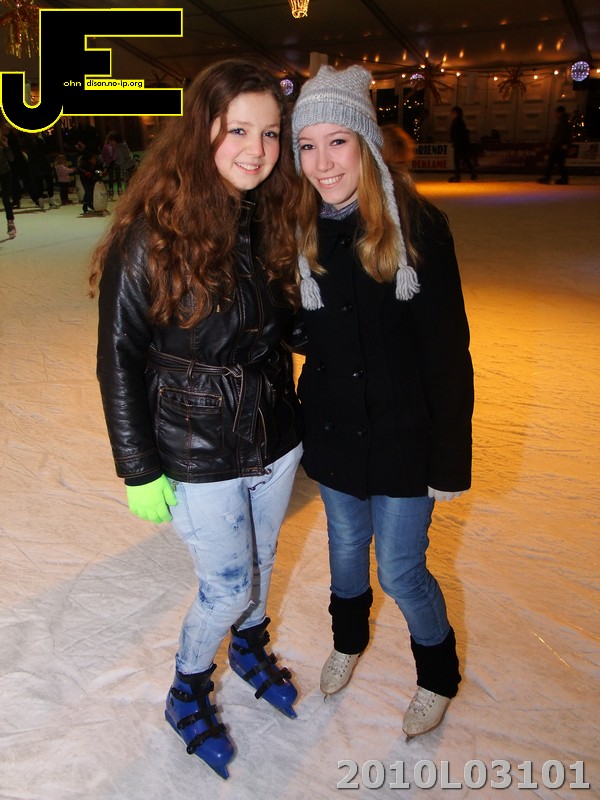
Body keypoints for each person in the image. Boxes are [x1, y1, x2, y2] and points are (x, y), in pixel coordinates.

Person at [88, 58, 302, 779]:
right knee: (228, 585)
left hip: (274, 433)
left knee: (263, 565)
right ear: (200, 130)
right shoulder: (150, 234)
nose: (256, 149)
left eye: (269, 133)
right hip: (193, 443)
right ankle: (187, 688)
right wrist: (138, 467)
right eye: (237, 130)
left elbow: (287, 326)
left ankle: (249, 645)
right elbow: (118, 355)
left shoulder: (267, 218)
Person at [291, 65, 474, 740]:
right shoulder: (299, 228)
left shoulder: (417, 227)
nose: (322, 163)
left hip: (404, 435)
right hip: (337, 430)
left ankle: (438, 675)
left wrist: (448, 459)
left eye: (336, 142)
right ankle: (348, 639)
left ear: (365, 142)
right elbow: (303, 327)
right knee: (344, 548)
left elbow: (447, 352)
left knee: (399, 569)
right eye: (307, 146)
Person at [538, 106, 571, 185]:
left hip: (559, 146)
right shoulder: (563, 122)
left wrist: (556, 144)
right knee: (558, 163)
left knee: (553, 162)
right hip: (560, 145)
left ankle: (548, 177)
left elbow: (561, 136)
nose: (555, 115)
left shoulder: (563, 123)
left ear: (560, 113)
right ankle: (563, 178)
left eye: (557, 113)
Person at [448, 105, 476, 182]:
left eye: (452, 112)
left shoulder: (457, 122)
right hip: (461, 144)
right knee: (465, 159)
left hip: (459, 144)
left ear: (456, 113)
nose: (451, 114)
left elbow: (457, 134)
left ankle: (458, 177)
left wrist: (455, 141)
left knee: (457, 160)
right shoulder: (459, 121)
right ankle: (473, 173)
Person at [0, 124, 16, 238]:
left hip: (5, 173)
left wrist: (6, 146)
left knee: (5, 198)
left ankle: (10, 223)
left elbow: (11, 158)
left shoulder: (3, 144)